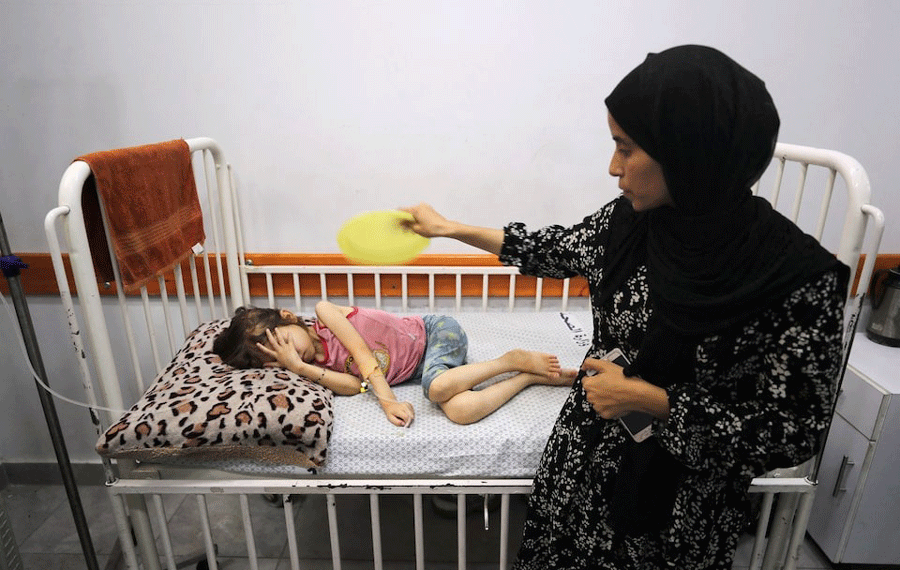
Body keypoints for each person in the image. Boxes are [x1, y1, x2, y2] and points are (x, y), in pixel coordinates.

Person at [401, 45, 850, 569]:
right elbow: (554, 248)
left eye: (627, 148)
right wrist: (449, 228)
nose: (613, 167)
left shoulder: (796, 280)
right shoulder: (632, 221)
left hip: (681, 508)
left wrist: (653, 401)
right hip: (583, 463)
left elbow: (792, 429)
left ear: (688, 153)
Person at [212, 301, 576, 427]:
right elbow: (355, 386)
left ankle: (506, 361)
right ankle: (525, 377)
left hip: (436, 334)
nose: (293, 357)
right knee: (459, 410)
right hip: (427, 369)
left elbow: (364, 360)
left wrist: (388, 402)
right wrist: (301, 368)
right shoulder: (310, 369)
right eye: (281, 361)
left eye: (288, 344)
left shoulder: (325, 313)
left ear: (290, 318)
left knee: (435, 389)